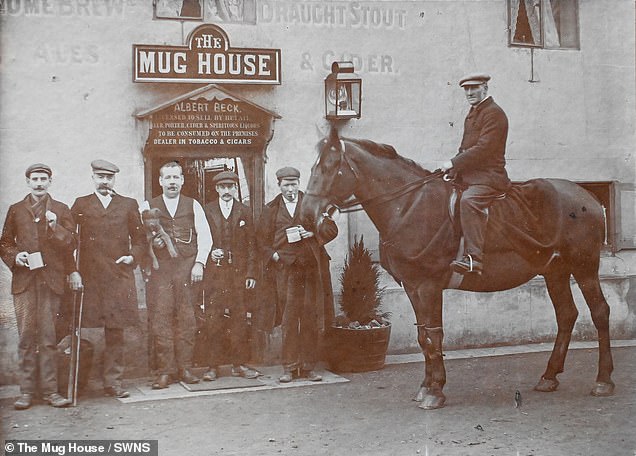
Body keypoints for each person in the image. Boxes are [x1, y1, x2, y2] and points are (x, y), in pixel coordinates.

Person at [0, 163, 76, 409]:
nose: (39, 183)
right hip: (25, 282)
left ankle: (51, 392)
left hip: (51, 281)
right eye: (35, 179)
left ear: (50, 182)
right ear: (28, 182)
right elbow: (4, 243)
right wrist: (16, 257)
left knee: (48, 337)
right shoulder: (16, 210)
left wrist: (55, 226)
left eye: (44, 179)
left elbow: (71, 243)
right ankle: (26, 392)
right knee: (26, 337)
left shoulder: (61, 210)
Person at [70, 160, 146, 399]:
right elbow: (68, 240)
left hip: (118, 276)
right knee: (84, 329)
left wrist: (132, 257)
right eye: (100, 176)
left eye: (109, 177)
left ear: (114, 179)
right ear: (93, 177)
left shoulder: (127, 204)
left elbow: (141, 240)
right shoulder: (81, 204)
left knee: (115, 331)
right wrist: (74, 270)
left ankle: (113, 381)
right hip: (90, 278)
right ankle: (79, 382)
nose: (105, 181)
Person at [257, 167, 337, 383]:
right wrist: (274, 256)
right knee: (289, 319)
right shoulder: (271, 209)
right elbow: (261, 242)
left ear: (299, 184)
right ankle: (289, 368)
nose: (290, 189)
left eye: (294, 184)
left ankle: (309, 367)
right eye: (286, 185)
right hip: (285, 271)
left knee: (310, 318)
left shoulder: (312, 205)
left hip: (310, 269)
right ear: (279, 185)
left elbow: (332, 229)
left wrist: (312, 233)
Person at [144, 161, 212, 389]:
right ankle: (165, 371)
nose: (172, 182)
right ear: (160, 181)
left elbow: (206, 237)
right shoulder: (148, 205)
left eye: (176, 177)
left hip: (186, 269)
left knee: (187, 319)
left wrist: (199, 264)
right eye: (168, 178)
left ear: (182, 180)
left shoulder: (193, 205)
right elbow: (140, 239)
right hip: (161, 272)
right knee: (161, 319)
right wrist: (153, 244)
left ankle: (185, 368)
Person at [440, 73, 512, 274]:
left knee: (469, 201)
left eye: (474, 88)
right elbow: (466, 148)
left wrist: (453, 162)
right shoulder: (474, 112)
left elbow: (484, 149)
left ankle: (474, 258)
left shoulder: (494, 113)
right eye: (466, 89)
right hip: (471, 175)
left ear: (485, 88)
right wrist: (452, 168)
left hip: (489, 177)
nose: (470, 92)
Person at [201, 171, 258, 381]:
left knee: (239, 319)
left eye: (230, 187)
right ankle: (212, 366)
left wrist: (251, 273)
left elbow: (253, 245)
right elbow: (201, 240)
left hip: (238, 274)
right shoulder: (207, 210)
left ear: (235, 188)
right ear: (216, 189)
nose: (226, 191)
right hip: (215, 273)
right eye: (222, 187)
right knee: (213, 318)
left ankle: (239, 364)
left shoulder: (244, 211)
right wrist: (210, 252)